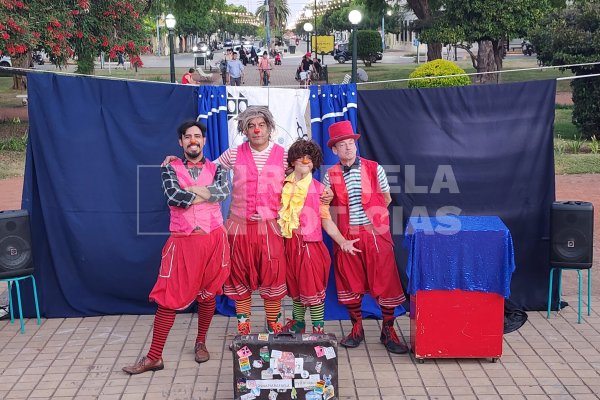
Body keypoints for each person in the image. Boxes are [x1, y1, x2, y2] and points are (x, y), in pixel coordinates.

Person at [122, 121, 232, 375]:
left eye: (197, 136)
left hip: (214, 240)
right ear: (181, 142)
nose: (193, 140)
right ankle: (154, 357)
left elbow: (223, 192)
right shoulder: (169, 167)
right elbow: (175, 198)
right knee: (168, 299)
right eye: (188, 137)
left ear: (204, 141)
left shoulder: (217, 168)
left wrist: (192, 190)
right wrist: (205, 192)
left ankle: (201, 341)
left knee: (208, 294)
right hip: (183, 242)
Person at [321, 120, 409, 355]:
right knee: (351, 282)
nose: (349, 147)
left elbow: (387, 199)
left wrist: (373, 224)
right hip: (346, 236)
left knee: (387, 283)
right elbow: (325, 211)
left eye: (351, 143)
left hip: (375, 234)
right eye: (343, 144)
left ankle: (388, 330)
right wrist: (342, 239)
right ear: (334, 150)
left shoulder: (374, 168)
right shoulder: (330, 175)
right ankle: (356, 328)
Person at [279, 139, 360, 334]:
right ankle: (298, 324)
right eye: (300, 158)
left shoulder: (320, 190)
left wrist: (342, 241)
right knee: (296, 289)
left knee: (312, 289)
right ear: (292, 162)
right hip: (289, 245)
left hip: (310, 247)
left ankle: (318, 330)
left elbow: (326, 221)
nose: (305, 162)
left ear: (314, 163)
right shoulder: (283, 186)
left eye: (309, 158)